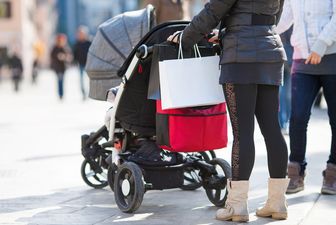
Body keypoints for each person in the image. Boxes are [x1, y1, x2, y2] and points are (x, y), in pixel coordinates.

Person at [167, 0, 289, 222]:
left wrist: (185, 37)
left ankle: (237, 206)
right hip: (270, 51)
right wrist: (228, 33)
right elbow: (273, 15)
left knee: (243, 133)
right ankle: (277, 202)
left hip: (240, 56)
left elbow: (212, 11)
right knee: (273, 129)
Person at [276, 0, 336, 195]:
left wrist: (321, 44)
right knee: (298, 117)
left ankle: (332, 174)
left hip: (332, 59)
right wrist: (263, 33)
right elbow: (283, 19)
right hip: (302, 61)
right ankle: (296, 171)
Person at [279, 26, 293, 134]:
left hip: (281, 57)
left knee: (283, 94)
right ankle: (285, 122)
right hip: (289, 58)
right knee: (286, 95)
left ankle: (283, 123)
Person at [50, 34, 71, 100]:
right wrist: (57, 56)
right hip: (57, 67)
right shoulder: (55, 48)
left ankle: (61, 94)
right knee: (59, 80)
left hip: (63, 67)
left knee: (61, 80)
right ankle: (60, 94)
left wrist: (64, 57)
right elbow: (52, 56)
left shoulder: (65, 48)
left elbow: (69, 57)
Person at [73, 26, 91, 100]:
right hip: (80, 64)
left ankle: (90, 93)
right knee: (81, 80)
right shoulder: (77, 43)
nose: (80, 35)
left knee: (90, 79)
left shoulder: (89, 42)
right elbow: (75, 53)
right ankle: (83, 93)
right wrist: (74, 61)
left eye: (82, 33)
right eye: (79, 33)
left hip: (89, 64)